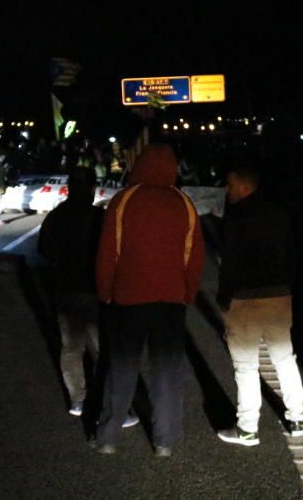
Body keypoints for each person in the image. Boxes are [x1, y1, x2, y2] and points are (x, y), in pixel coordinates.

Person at [94, 144, 205, 457]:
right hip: (170, 301)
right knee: (167, 371)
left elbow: (108, 253)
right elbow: (194, 256)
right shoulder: (183, 203)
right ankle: (165, 441)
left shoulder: (124, 200)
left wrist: (106, 291)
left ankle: (108, 437)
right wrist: (187, 293)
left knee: (121, 368)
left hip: (128, 298)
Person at [216, 162, 303, 447]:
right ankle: (297, 418)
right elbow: (292, 253)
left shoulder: (237, 217)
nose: (226, 190)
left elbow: (230, 262)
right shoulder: (279, 213)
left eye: (230, 185)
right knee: (284, 357)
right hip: (279, 295)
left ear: (244, 186)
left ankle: (247, 428)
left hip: (245, 298)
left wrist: (224, 297)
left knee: (246, 365)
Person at [38, 167, 103, 416]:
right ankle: (107, 399)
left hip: (66, 288)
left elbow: (44, 250)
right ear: (92, 189)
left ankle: (78, 399)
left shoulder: (57, 216)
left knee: (72, 348)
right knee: (102, 348)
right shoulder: (100, 217)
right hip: (96, 289)